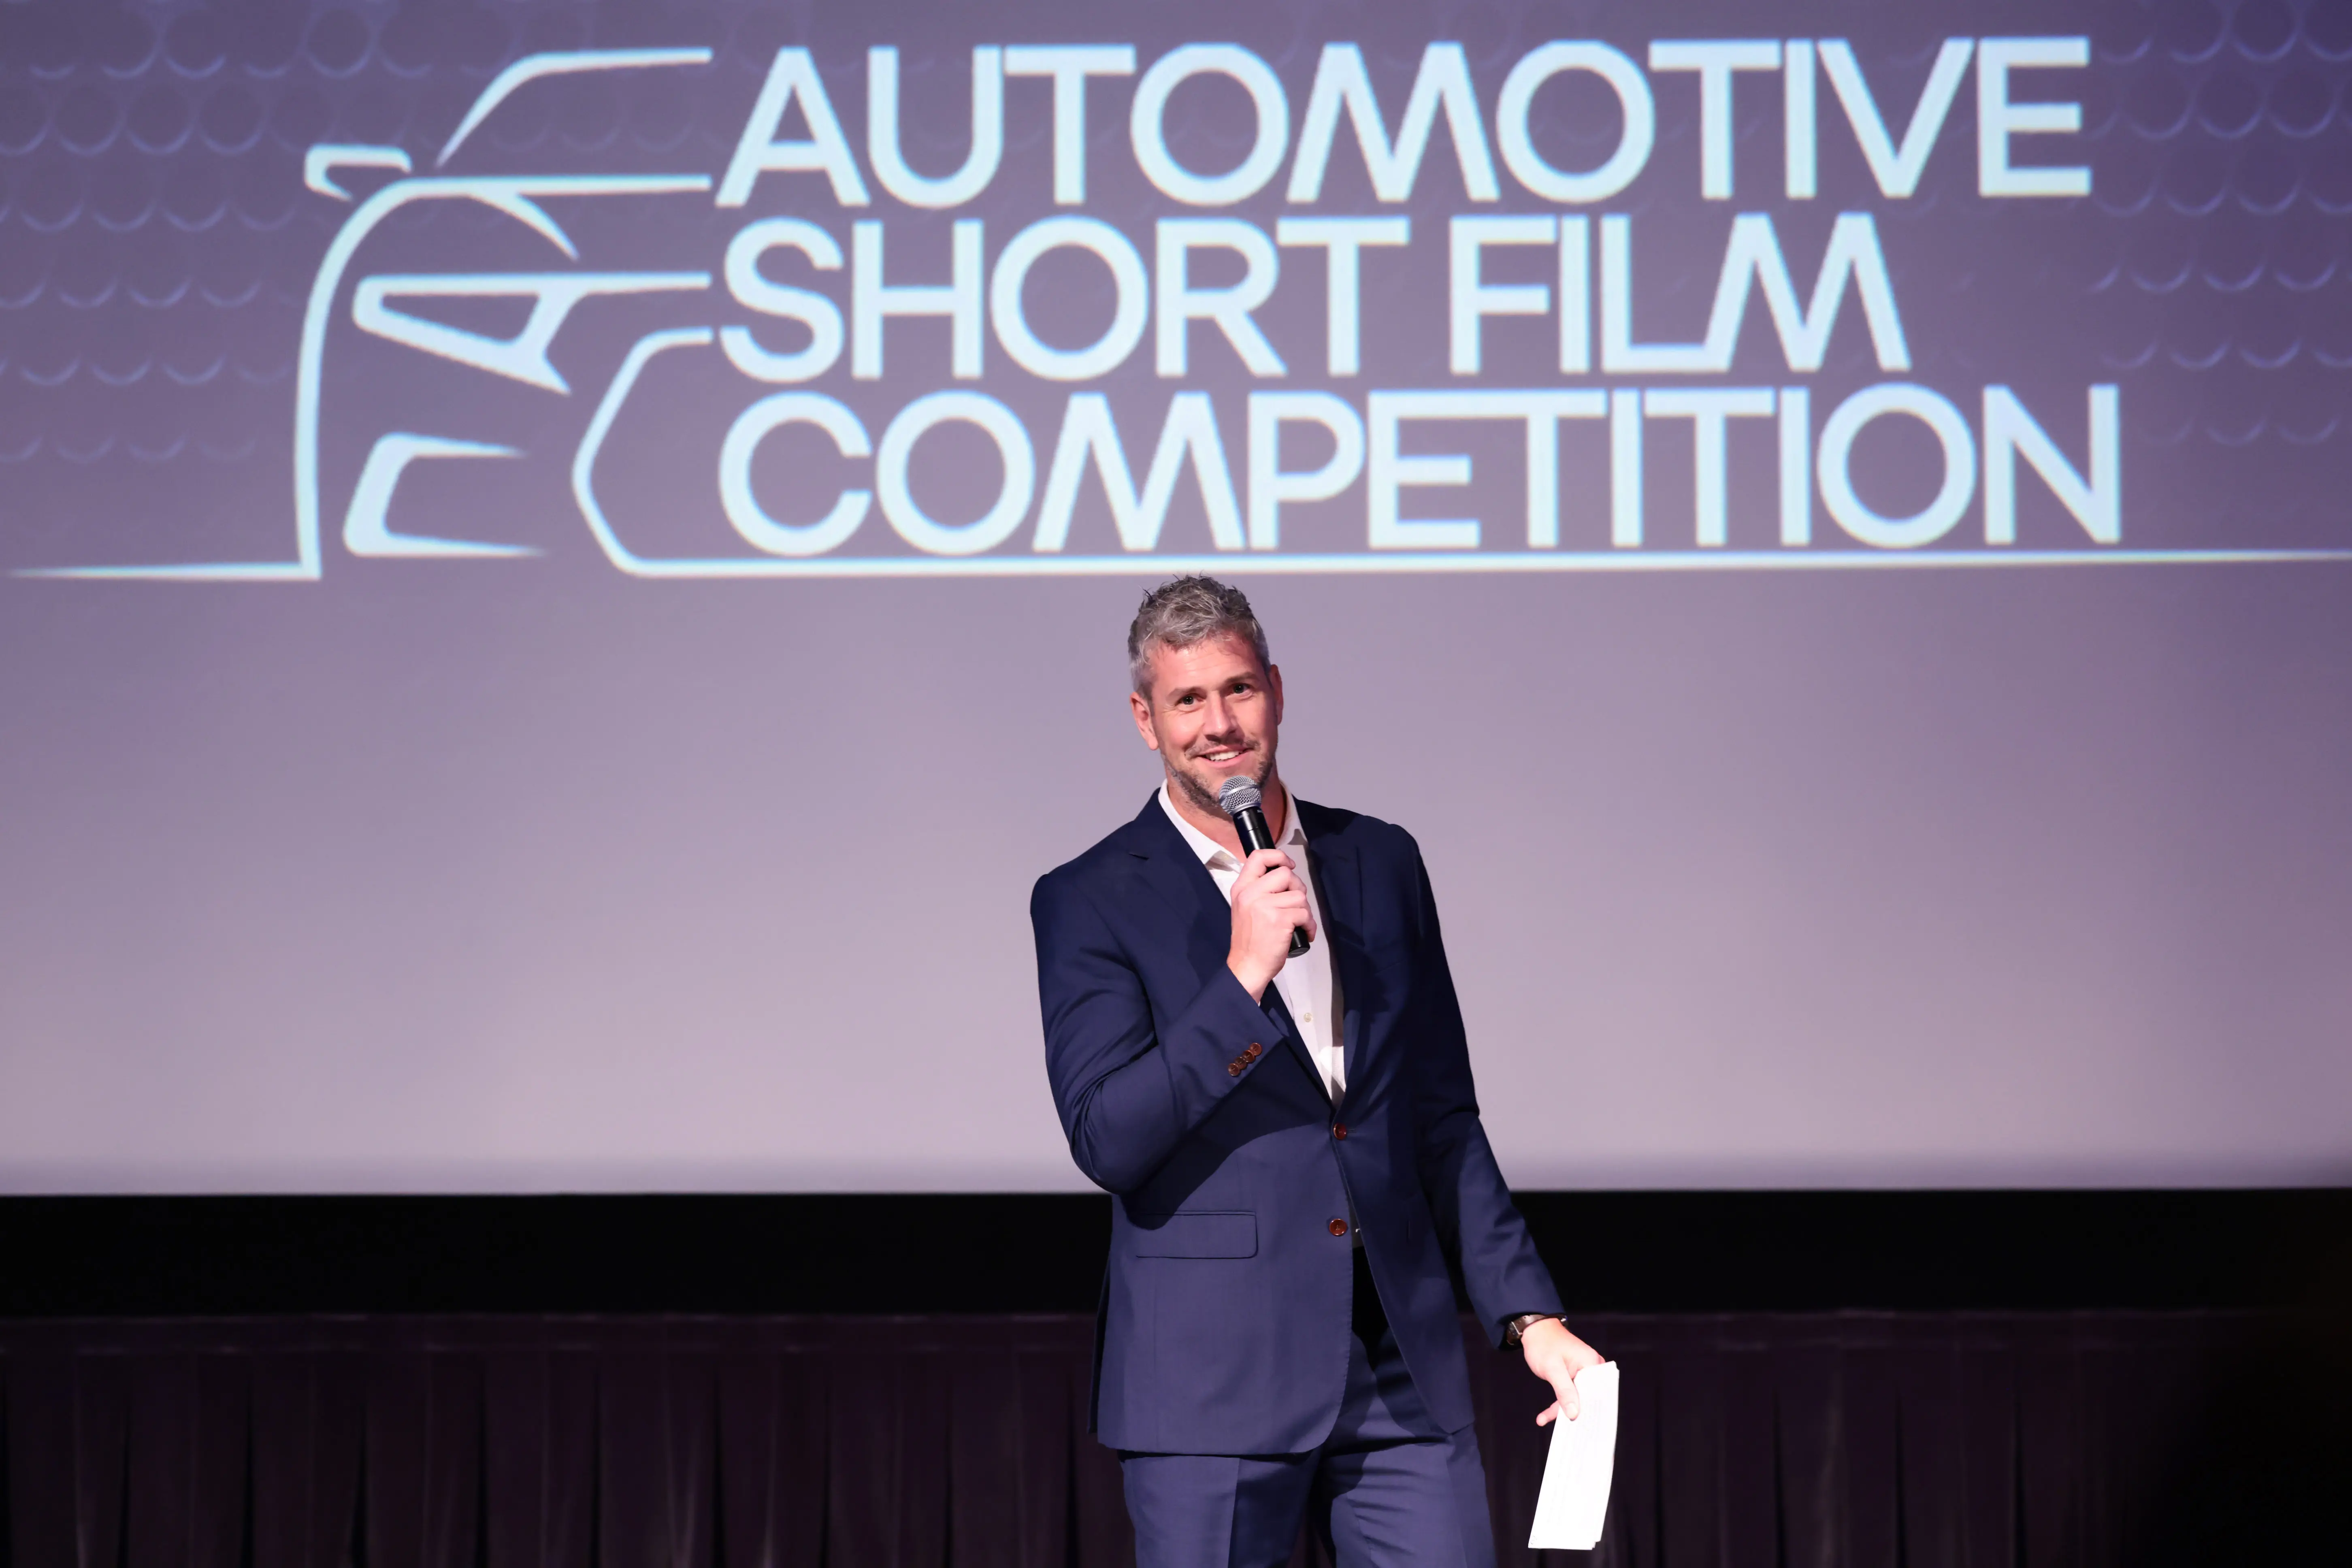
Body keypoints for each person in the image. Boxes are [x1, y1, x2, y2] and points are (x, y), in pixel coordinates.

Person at [1031, 576, 1603, 1568]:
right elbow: (1110, 1138)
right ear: (1145, 718)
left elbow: (1440, 1117)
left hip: (1398, 1366)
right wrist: (1242, 973)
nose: (1220, 724)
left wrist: (1529, 1313)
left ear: (1278, 691)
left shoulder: (1379, 860)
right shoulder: (1088, 899)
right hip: (1211, 1386)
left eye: (1240, 690)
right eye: (1189, 700)